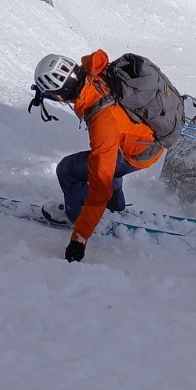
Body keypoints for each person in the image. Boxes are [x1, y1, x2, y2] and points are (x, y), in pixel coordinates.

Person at [31, 51, 164, 262]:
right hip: (144, 142)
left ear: (59, 94)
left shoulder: (102, 120)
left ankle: (76, 216)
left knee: (68, 170)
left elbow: (100, 182)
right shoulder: (96, 75)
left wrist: (79, 238)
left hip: (136, 152)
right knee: (106, 162)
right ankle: (116, 208)